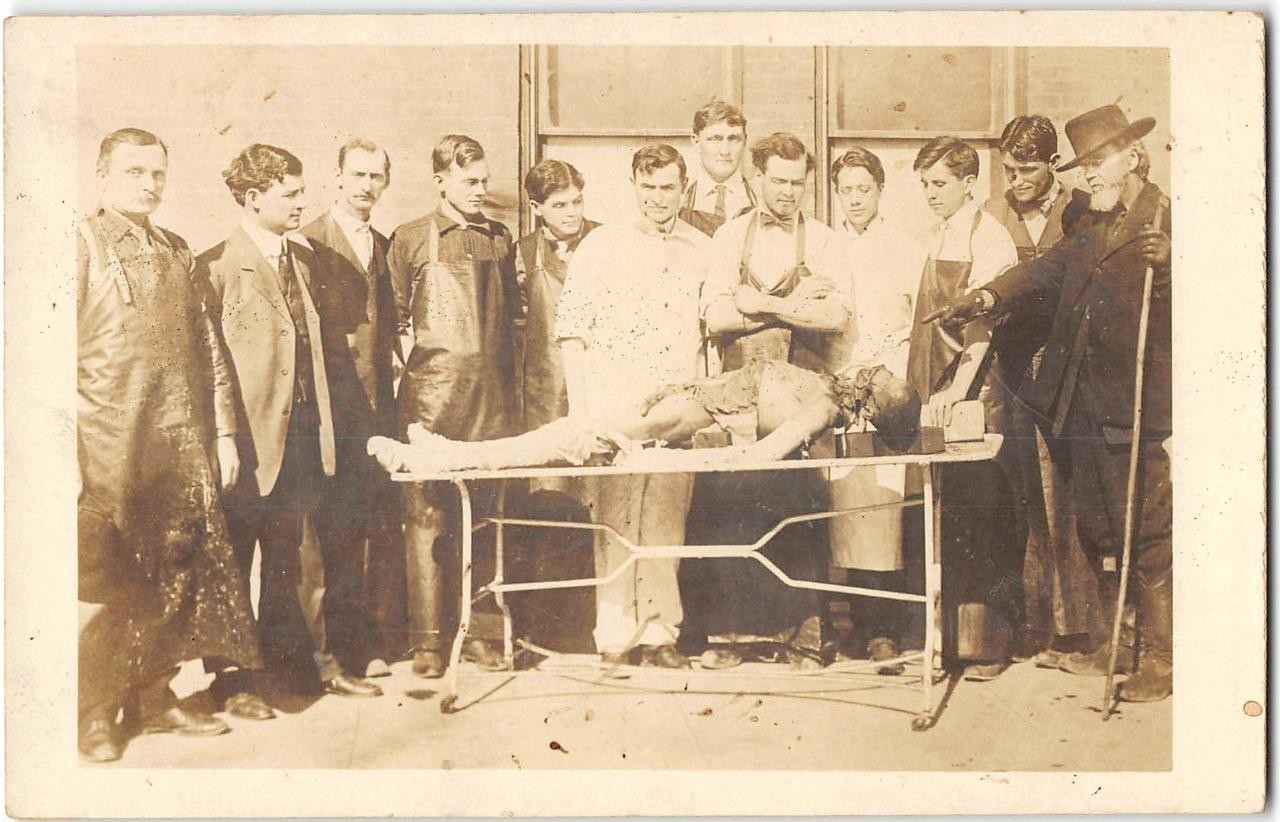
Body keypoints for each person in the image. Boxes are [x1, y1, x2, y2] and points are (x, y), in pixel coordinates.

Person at [925, 104, 1172, 702]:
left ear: (1132, 157)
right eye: (1083, 164)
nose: (1088, 175)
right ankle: (1114, 644)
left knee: (1148, 530)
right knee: (1099, 527)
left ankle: (1161, 660)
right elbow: (1043, 271)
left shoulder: (1166, 222)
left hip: (1131, 399)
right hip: (1076, 400)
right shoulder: (1088, 223)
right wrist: (984, 296)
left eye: (1098, 162)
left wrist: (1173, 270)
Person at [77, 128, 262, 762]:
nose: (148, 184)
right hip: (106, 449)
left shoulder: (175, 250)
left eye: (157, 172)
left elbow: (209, 349)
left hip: (178, 446)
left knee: (176, 575)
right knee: (113, 580)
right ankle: (95, 713)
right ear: (103, 178)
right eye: (133, 172)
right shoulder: (78, 244)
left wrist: (227, 434)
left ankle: (154, 697)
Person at [694, 132, 854, 669]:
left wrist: (762, 304)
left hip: (802, 395)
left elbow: (834, 318)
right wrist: (794, 304)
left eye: (798, 182)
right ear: (757, 177)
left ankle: (804, 642)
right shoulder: (728, 236)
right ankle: (732, 641)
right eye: (778, 181)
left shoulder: (827, 239)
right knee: (733, 509)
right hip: (739, 394)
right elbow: (715, 317)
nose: (789, 192)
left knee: (800, 511)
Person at [554, 143, 708, 668]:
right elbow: (570, 332)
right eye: (648, 187)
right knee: (617, 519)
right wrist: (582, 414)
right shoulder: (601, 245)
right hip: (614, 404)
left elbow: (708, 334)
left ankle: (661, 634)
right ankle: (616, 637)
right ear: (633, 187)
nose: (658, 199)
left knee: (666, 517)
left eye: (668, 188)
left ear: (684, 189)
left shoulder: (701, 247)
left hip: (676, 404)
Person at [198, 143, 338, 714]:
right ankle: (232, 683)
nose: (302, 202)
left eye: (302, 191)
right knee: (234, 557)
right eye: (290, 193)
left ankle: (282, 665)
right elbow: (209, 366)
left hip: (300, 439)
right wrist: (224, 439)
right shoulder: (215, 267)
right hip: (248, 442)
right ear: (253, 199)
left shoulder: (301, 261)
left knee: (286, 555)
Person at [387, 135, 518, 678]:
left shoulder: (500, 239)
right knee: (427, 521)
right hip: (431, 402)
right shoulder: (411, 239)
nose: (480, 191)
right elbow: (393, 321)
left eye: (485, 181)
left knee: (486, 518)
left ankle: (483, 633)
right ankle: (427, 641)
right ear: (440, 180)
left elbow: (513, 320)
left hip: (490, 404)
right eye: (469, 182)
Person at [368, 361, 921, 484]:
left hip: (669, 430)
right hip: (673, 409)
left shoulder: (822, 407)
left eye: (874, 380)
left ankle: (436, 456)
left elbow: (759, 456)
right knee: (558, 437)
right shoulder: (820, 385)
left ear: (869, 405)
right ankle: (441, 453)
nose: (867, 369)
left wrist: (659, 455)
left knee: (560, 438)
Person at [982, 115, 1104, 666]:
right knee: (1027, 498)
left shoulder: (1080, 210)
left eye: (1027, 169)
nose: (1016, 180)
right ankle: (1037, 622)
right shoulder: (994, 217)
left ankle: (1078, 628)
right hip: (1013, 377)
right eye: (1008, 169)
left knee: (1068, 499)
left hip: (1070, 376)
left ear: (1053, 165)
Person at [906, 136, 1022, 681]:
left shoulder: (991, 237)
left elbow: (984, 327)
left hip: (978, 389)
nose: (929, 193)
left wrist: (959, 390)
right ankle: (949, 643)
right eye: (924, 184)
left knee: (983, 513)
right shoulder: (939, 233)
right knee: (946, 514)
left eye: (939, 184)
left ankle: (990, 646)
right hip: (939, 385)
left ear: (969, 183)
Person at [299, 138, 402, 692]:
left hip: (376, 411)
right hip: (329, 415)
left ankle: (361, 645)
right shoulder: (310, 241)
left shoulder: (384, 245)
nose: (366, 186)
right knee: (329, 534)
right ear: (337, 177)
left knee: (368, 528)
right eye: (357, 175)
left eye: (376, 176)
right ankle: (329, 653)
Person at [827, 146, 923, 673]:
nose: (856, 199)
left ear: (881, 191)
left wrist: (894, 390)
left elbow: (917, 328)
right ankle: (848, 627)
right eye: (847, 190)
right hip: (839, 394)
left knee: (884, 513)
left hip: (886, 395)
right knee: (844, 512)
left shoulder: (906, 250)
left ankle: (885, 631)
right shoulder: (825, 247)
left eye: (865, 189)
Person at [509, 159, 601, 653]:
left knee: (598, 508)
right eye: (559, 205)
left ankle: (593, 625)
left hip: (598, 392)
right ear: (537, 208)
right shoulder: (522, 255)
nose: (571, 213)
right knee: (547, 509)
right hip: (544, 396)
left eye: (577, 201)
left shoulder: (608, 245)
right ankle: (545, 630)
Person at [679, 99, 757, 237]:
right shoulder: (677, 198)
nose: (725, 151)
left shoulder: (761, 198)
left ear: (745, 141)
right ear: (696, 142)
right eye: (715, 139)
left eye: (734, 139)